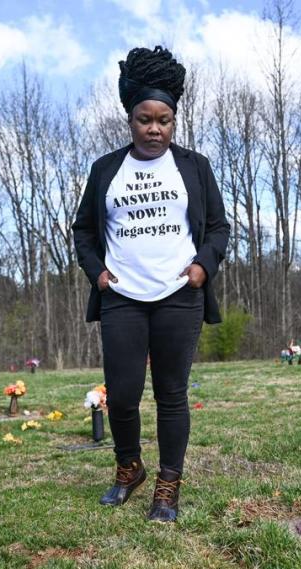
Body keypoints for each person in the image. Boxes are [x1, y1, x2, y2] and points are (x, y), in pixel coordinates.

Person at [72, 46, 229, 522]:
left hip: (178, 296)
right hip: (121, 296)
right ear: (130, 119)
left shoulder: (194, 167)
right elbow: (83, 230)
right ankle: (128, 468)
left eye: (165, 119)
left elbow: (219, 227)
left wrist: (203, 265)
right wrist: (97, 273)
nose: (155, 128)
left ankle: (168, 484)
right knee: (120, 395)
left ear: (174, 120)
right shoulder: (106, 170)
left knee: (171, 394)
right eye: (145, 119)